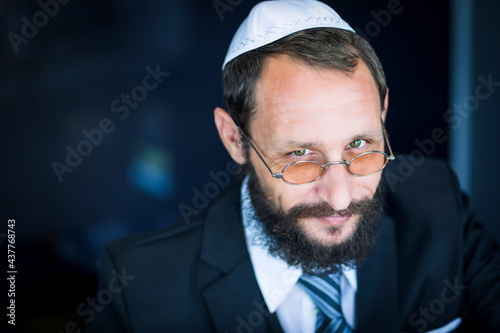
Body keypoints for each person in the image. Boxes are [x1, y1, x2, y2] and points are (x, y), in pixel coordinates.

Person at [86, 1, 500, 332]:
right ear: (235, 139)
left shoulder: (437, 201)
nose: (340, 196)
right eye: (300, 154)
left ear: (384, 112)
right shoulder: (140, 287)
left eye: (359, 144)